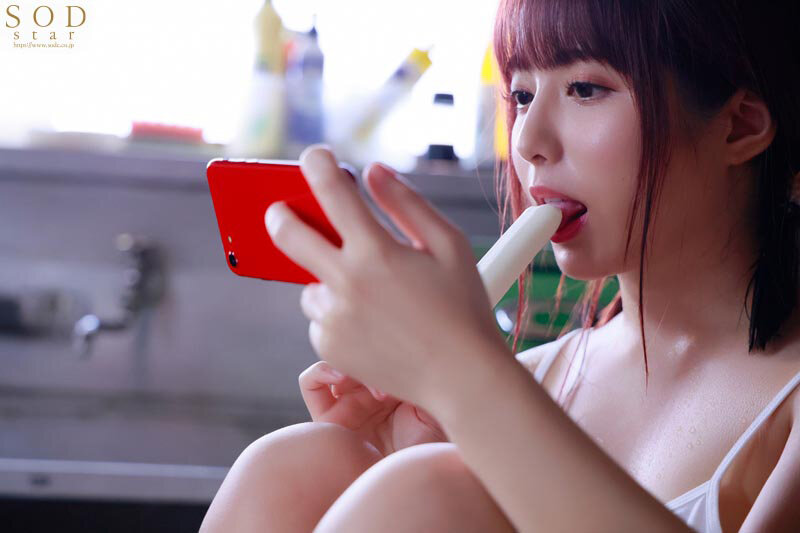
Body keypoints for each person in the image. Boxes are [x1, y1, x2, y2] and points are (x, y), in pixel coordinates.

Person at [200, 0, 800, 531]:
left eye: (585, 89)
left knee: (427, 489)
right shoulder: (531, 381)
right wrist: (400, 448)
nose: (529, 140)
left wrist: (461, 379)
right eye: (521, 95)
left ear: (739, 125)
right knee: (301, 463)